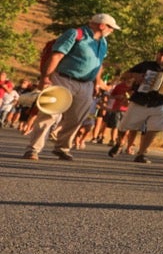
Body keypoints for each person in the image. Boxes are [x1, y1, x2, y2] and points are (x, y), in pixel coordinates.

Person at [23, 14, 119, 160]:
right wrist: (45, 78)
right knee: (49, 114)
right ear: (102, 25)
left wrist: (97, 83)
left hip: (86, 84)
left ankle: (62, 147)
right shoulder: (75, 34)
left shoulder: (103, 42)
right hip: (62, 78)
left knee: (77, 117)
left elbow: (99, 64)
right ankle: (33, 149)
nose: (112, 31)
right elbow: (56, 56)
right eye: (111, 28)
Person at [107, 47, 163, 164]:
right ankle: (119, 143)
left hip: (159, 103)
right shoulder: (145, 65)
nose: (161, 57)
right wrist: (135, 76)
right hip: (140, 100)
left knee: (153, 129)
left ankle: (142, 153)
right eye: (160, 54)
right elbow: (124, 75)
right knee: (124, 126)